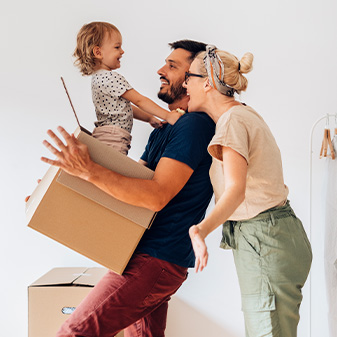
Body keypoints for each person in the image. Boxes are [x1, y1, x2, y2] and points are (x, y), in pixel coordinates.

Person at [39, 40, 215, 337]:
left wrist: (89, 170)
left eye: (172, 66)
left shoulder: (195, 125)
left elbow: (155, 196)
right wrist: (57, 190)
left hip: (156, 259)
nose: (161, 70)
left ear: (194, 78)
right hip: (145, 257)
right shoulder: (167, 127)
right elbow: (130, 185)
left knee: (74, 333)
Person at [186, 45, 312, 337]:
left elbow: (236, 191)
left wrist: (200, 230)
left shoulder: (231, 122)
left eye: (189, 77)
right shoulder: (242, 115)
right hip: (273, 237)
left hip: (264, 240)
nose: (184, 84)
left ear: (207, 82)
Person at [73, 21, 183, 155]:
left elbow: (125, 107)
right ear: (98, 52)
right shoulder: (111, 78)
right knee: (113, 171)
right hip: (114, 138)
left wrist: (149, 118)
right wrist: (168, 115)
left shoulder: (98, 78)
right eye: (117, 47)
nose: (122, 51)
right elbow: (139, 100)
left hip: (105, 135)